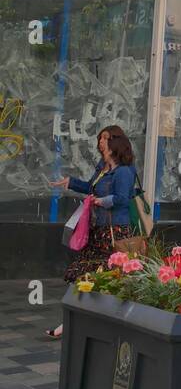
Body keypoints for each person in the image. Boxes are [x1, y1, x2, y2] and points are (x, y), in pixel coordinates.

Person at [45, 125, 139, 339]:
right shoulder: (102, 167)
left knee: (109, 281)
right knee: (81, 275)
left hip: (115, 233)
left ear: (116, 142)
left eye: (105, 138)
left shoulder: (124, 171)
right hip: (98, 232)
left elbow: (123, 199)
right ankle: (71, 322)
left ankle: (101, 324)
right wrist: (71, 182)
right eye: (100, 139)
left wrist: (102, 201)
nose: (100, 143)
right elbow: (90, 187)